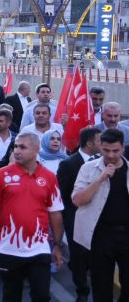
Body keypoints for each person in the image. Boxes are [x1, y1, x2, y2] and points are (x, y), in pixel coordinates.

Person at [0, 133, 64, 302]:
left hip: (39, 248)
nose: (17, 151)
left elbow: (55, 212)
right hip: (8, 248)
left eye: (22, 147)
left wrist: (57, 245)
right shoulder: (3, 174)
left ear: (35, 150)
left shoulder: (49, 177)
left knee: (41, 296)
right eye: (15, 147)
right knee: (11, 296)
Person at [72, 129, 129, 302]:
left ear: (123, 148)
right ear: (100, 148)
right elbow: (77, 200)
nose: (110, 155)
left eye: (115, 151)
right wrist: (100, 179)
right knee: (101, 287)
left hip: (126, 235)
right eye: (106, 150)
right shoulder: (88, 168)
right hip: (99, 235)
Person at [56, 127, 101, 301]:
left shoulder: (102, 161)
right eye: (99, 140)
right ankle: (82, 292)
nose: (102, 143)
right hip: (75, 219)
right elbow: (62, 195)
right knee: (78, 258)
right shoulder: (69, 164)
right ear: (89, 143)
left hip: (97, 219)